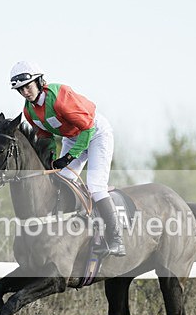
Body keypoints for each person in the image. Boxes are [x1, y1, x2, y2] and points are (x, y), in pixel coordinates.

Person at [9, 60, 126, 257]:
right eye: (21, 90)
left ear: (38, 82)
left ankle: (117, 240)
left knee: (96, 186)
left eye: (27, 87)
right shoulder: (28, 112)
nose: (25, 93)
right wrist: (51, 159)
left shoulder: (59, 96)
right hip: (72, 137)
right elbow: (45, 136)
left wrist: (70, 156)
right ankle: (75, 228)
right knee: (61, 180)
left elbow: (87, 128)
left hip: (96, 133)